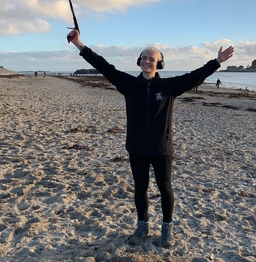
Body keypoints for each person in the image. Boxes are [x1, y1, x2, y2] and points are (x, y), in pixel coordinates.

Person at [67, 29, 234, 248]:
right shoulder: (128, 84)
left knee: (165, 188)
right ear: (139, 62)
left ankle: (167, 229)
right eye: (144, 58)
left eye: (151, 59)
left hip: (161, 148)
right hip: (136, 148)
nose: (147, 61)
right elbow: (103, 66)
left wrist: (217, 61)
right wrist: (79, 44)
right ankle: (142, 227)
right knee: (140, 188)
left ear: (159, 64)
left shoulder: (169, 86)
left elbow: (195, 76)